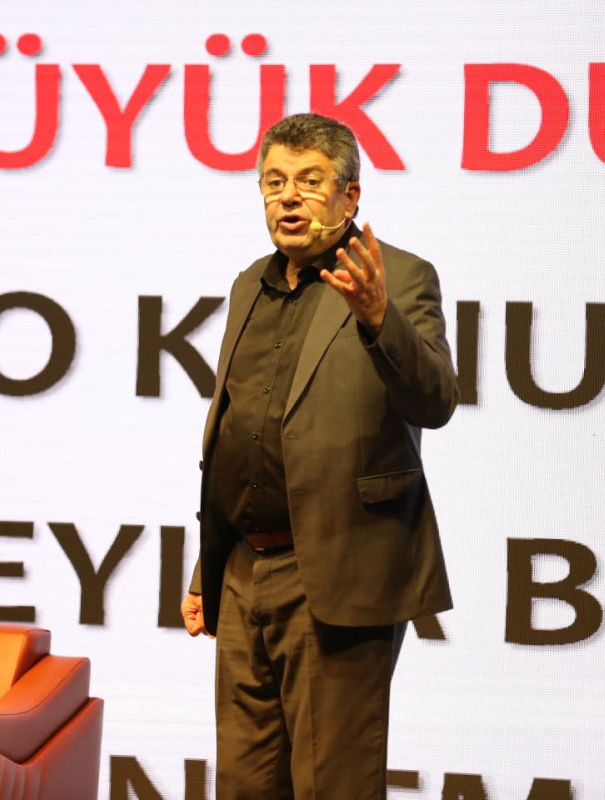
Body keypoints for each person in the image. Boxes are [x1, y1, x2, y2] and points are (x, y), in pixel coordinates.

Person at [180, 112, 458, 798]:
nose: (288, 197)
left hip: (337, 569)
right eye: (274, 182)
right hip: (243, 572)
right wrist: (206, 567)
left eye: (309, 181)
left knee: (334, 785)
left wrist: (378, 318)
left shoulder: (401, 277)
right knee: (243, 784)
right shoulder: (250, 283)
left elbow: (435, 402)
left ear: (349, 195)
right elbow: (235, 432)